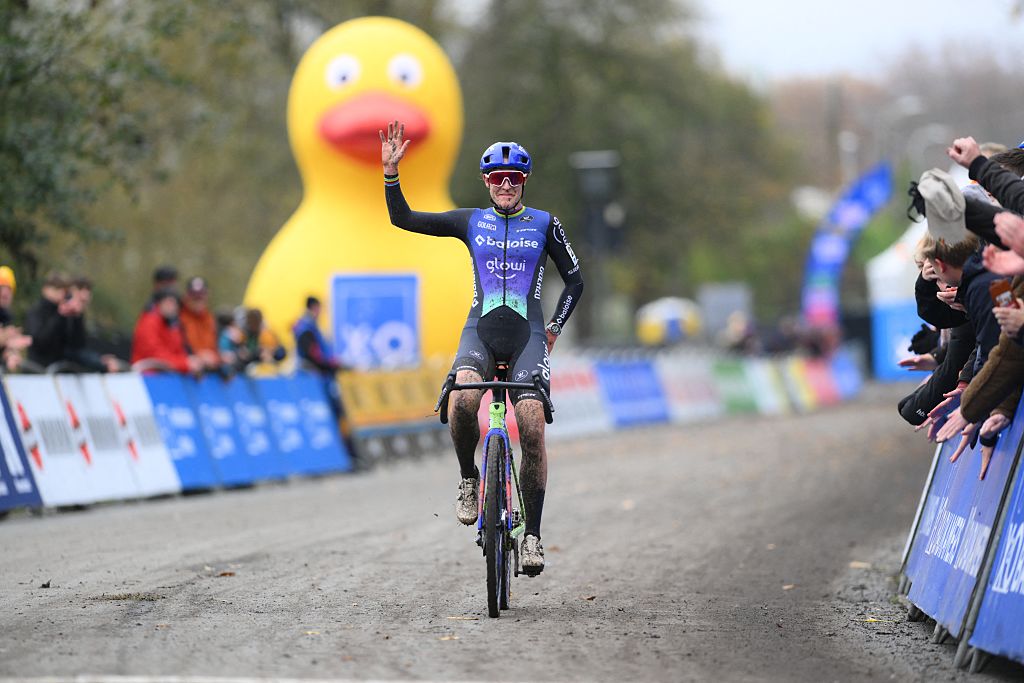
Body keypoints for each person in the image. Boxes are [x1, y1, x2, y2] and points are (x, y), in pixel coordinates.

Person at [380, 121, 584, 574]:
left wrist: (552, 328)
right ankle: (469, 479)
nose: (506, 185)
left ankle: (532, 535)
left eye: (513, 178)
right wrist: (391, 174)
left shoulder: (546, 224)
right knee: (462, 399)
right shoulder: (470, 220)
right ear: (487, 182)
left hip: (528, 335)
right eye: (497, 178)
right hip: (480, 331)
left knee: (531, 426)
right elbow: (404, 218)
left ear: (524, 182)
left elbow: (575, 281)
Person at [130, 289, 202, 374]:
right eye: (168, 303)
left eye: (174, 304)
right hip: (147, 376)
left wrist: (191, 361)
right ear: (159, 303)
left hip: (166, 376)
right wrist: (184, 364)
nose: (172, 307)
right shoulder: (149, 322)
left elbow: (178, 350)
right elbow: (155, 355)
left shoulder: (172, 324)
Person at [178, 276, 221, 372]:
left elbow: (216, 348)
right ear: (187, 296)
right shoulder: (178, 319)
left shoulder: (210, 320)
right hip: (187, 372)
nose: (198, 299)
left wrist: (216, 358)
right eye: (194, 295)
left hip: (208, 372)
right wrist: (198, 356)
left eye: (201, 295)